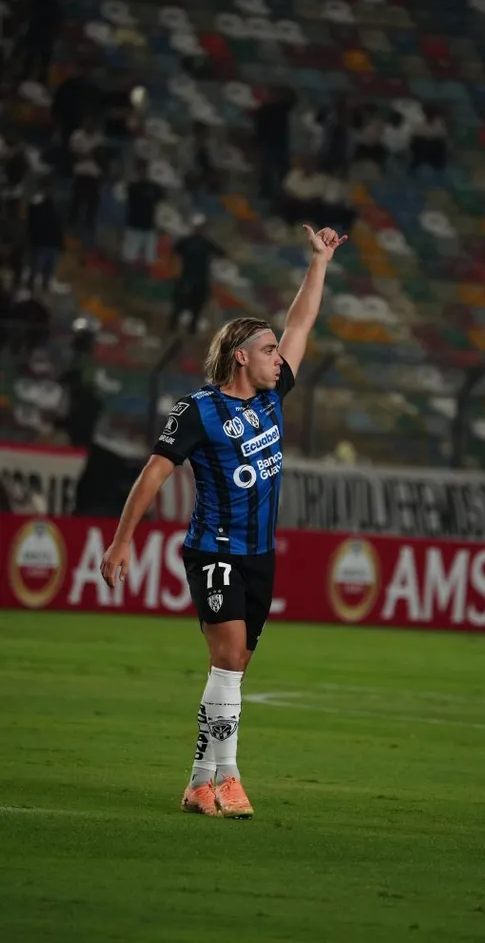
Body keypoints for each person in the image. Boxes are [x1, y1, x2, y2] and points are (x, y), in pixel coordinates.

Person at [99, 225, 348, 819]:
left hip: (260, 552)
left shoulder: (269, 397)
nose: (278, 357)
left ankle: (197, 783)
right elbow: (154, 474)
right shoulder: (198, 410)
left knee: (234, 666)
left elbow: (302, 325)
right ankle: (230, 779)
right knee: (229, 656)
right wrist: (121, 541)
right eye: (267, 350)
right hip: (214, 547)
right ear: (241, 356)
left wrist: (319, 263)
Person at [170, 214, 224, 335]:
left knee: (185, 303)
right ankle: (186, 327)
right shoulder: (204, 242)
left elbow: (174, 251)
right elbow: (221, 252)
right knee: (193, 304)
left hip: (190, 276)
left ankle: (177, 326)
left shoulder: (188, 241)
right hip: (196, 277)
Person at [122, 160, 163, 266]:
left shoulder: (155, 188)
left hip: (149, 225)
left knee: (150, 257)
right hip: (134, 224)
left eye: (144, 169)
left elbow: (161, 203)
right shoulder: (132, 186)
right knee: (129, 256)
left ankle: (148, 279)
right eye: (140, 169)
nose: (142, 171)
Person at [27, 175, 64, 290]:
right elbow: (33, 222)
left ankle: (44, 288)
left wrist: (60, 243)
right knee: (37, 270)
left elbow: (59, 225)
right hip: (41, 242)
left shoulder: (55, 205)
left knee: (47, 270)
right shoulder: (37, 203)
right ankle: (33, 289)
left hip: (50, 242)